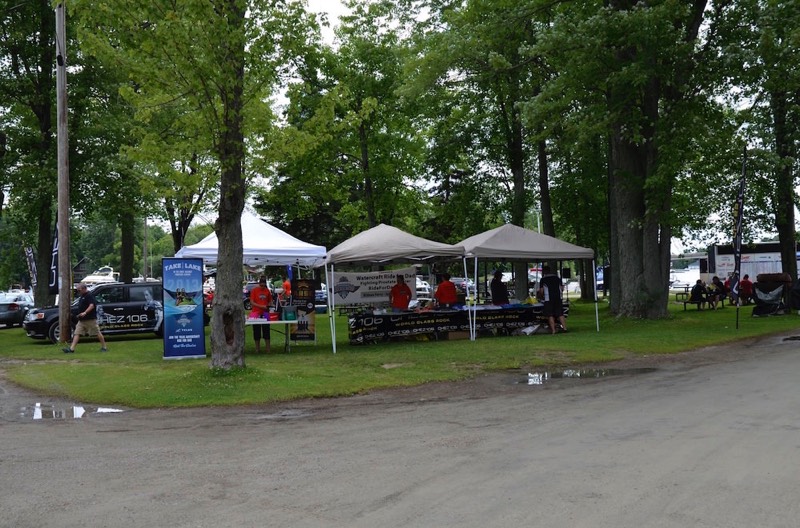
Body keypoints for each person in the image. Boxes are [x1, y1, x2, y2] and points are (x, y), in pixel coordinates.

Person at [63, 283, 108, 353]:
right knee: (77, 333)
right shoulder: (82, 296)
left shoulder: (89, 295)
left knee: (97, 333)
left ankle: (104, 347)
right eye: (77, 290)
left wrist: (85, 312)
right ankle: (71, 349)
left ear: (84, 289)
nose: (78, 292)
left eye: (79, 290)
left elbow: (92, 305)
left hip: (90, 319)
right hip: (82, 320)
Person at [538, 265, 566, 334]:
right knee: (560, 314)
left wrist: (541, 296)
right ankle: (565, 328)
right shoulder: (557, 278)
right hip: (558, 298)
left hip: (548, 299)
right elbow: (562, 288)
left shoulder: (543, 279)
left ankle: (553, 330)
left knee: (550, 315)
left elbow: (541, 291)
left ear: (544, 272)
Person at [249, 275, 273, 354]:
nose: (262, 287)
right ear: (259, 284)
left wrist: (269, 305)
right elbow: (252, 302)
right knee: (256, 330)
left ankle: (268, 349)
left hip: (266, 312)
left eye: (264, 285)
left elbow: (270, 300)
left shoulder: (267, 291)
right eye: (261, 285)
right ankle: (257, 349)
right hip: (255, 312)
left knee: (266, 330)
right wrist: (261, 306)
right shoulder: (254, 290)